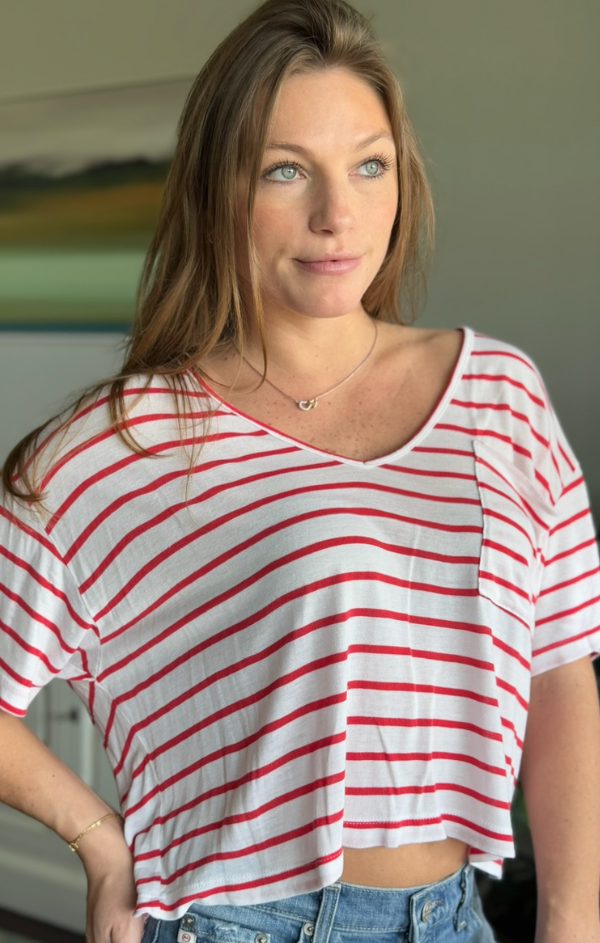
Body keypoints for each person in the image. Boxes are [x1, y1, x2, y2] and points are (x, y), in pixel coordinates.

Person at [1, 1, 599, 942]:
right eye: (286, 170)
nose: (337, 215)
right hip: (239, 923)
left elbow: (559, 667)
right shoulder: (123, 445)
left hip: (456, 917)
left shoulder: (498, 396)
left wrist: (573, 917)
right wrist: (97, 836)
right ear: (217, 190)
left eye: (369, 164)